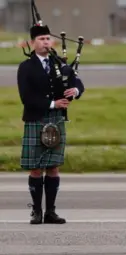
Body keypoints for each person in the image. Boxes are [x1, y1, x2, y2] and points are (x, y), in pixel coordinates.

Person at [17, 24, 85, 225]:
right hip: (36, 118)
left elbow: (76, 82)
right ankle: (37, 211)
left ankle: (51, 212)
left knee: (53, 167)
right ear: (32, 43)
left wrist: (76, 92)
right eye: (41, 39)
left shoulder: (59, 64)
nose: (45, 42)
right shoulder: (26, 67)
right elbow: (26, 97)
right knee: (36, 168)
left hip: (56, 120)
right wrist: (53, 103)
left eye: (47, 39)